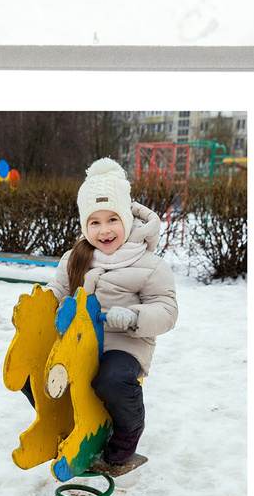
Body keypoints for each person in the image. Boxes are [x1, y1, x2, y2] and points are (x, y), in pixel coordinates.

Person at [45, 158, 179, 478]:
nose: (104, 230)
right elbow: (58, 289)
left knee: (111, 379)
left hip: (125, 343)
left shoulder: (150, 265)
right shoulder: (75, 257)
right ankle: (62, 423)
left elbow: (167, 310)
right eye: (94, 222)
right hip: (81, 342)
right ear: (84, 225)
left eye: (112, 219)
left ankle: (127, 432)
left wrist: (133, 317)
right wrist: (46, 305)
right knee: (40, 371)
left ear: (128, 220)